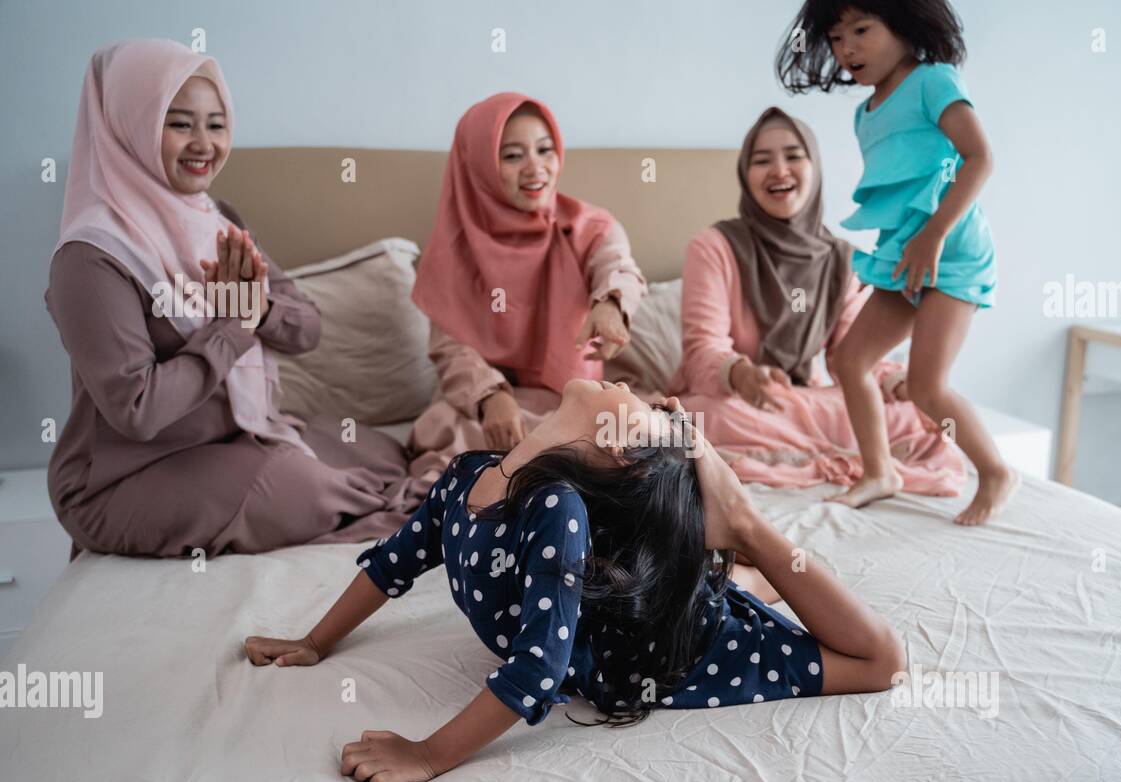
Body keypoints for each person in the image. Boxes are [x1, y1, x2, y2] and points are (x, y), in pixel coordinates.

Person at [245, 380, 906, 782]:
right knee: (729, 582)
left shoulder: (557, 508)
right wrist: (314, 640)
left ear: (618, 447)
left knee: (877, 659)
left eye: (650, 411)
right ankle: (729, 567)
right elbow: (394, 563)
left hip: (675, 646)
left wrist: (427, 755)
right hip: (628, 597)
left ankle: (744, 534)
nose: (642, 390)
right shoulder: (469, 473)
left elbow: (537, 671)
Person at [46, 39, 428, 557]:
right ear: (126, 126)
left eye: (217, 123)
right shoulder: (91, 257)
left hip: (230, 438)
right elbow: (138, 409)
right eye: (179, 123)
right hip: (123, 478)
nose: (203, 143)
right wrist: (233, 326)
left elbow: (306, 329)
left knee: (379, 454)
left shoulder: (214, 219)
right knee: (302, 485)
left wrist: (261, 310)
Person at [777, 0, 1019, 524]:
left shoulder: (933, 81)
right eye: (838, 39)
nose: (848, 48)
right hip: (904, 254)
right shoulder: (864, 113)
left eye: (862, 30)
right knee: (850, 361)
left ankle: (996, 471)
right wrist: (914, 242)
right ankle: (879, 472)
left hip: (952, 254)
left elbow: (980, 158)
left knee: (928, 385)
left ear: (906, 29)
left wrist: (933, 235)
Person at [669, 106, 964, 497]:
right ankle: (825, 450)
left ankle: (824, 449)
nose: (779, 170)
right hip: (733, 402)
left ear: (815, 168)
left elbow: (854, 357)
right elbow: (702, 349)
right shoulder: (715, 247)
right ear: (745, 175)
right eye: (762, 161)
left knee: (905, 413)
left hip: (802, 402)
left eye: (794, 156)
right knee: (697, 421)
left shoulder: (841, 260)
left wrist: (899, 385)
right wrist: (742, 375)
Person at [406, 92, 648, 481]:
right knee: (455, 443)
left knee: (626, 434)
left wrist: (610, 305)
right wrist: (490, 396)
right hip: (481, 409)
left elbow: (618, 265)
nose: (535, 168)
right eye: (513, 156)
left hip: (571, 400)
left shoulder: (586, 227)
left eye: (545, 150)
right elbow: (450, 348)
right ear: (478, 166)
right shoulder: (454, 249)